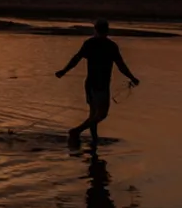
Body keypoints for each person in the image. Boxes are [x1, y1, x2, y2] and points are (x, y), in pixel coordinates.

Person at [56, 19, 139, 149]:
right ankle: (76, 131)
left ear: (95, 30)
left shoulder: (90, 43)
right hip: (101, 85)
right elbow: (121, 65)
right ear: (107, 30)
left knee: (93, 114)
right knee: (101, 114)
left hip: (90, 83)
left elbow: (76, 59)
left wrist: (64, 71)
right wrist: (132, 78)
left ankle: (94, 139)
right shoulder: (110, 46)